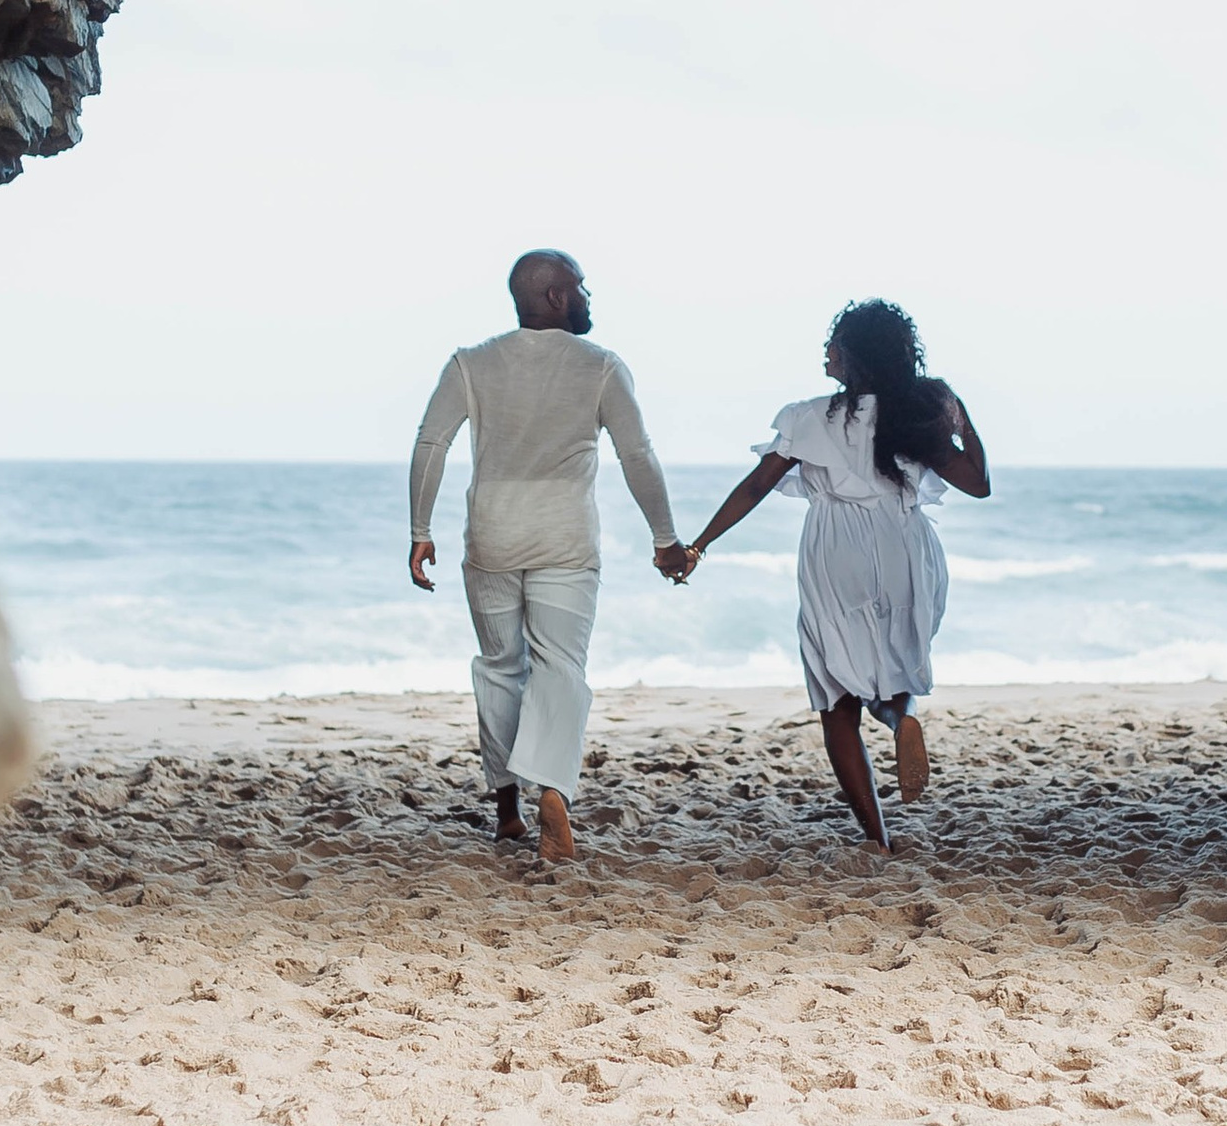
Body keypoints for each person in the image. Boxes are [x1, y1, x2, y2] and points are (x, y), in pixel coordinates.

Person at [675, 299, 988, 848]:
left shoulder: (809, 417)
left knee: (836, 698)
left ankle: (877, 835)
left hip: (836, 548)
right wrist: (960, 414)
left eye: (834, 343)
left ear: (856, 355)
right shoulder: (917, 414)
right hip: (906, 546)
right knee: (894, 664)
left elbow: (754, 487)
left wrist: (698, 545)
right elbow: (978, 482)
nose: (826, 351)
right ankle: (900, 721)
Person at [409, 250, 690, 863]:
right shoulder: (602, 367)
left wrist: (419, 528)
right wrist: (664, 538)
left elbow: (433, 441)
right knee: (560, 666)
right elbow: (637, 455)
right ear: (558, 297)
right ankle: (554, 790)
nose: (590, 297)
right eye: (583, 287)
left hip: (493, 535)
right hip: (565, 539)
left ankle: (509, 809)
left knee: (500, 666)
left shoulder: (471, 363)